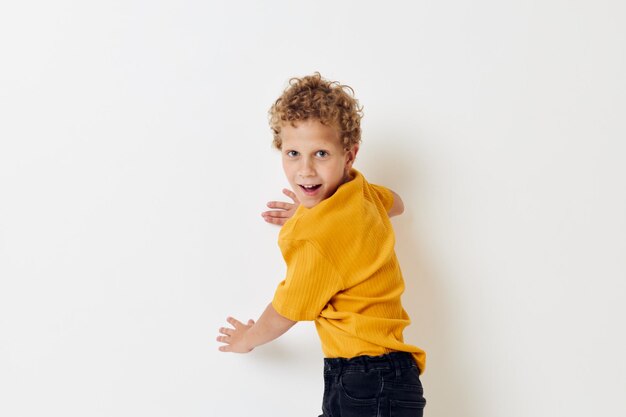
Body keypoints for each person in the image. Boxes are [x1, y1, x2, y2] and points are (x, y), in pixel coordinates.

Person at [217, 72, 427, 417]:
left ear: (350, 154)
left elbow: (288, 308)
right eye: (293, 153)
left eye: (322, 154)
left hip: (366, 380)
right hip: (388, 378)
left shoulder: (318, 237)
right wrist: (313, 210)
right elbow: (398, 204)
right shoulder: (362, 193)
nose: (306, 169)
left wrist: (248, 338)